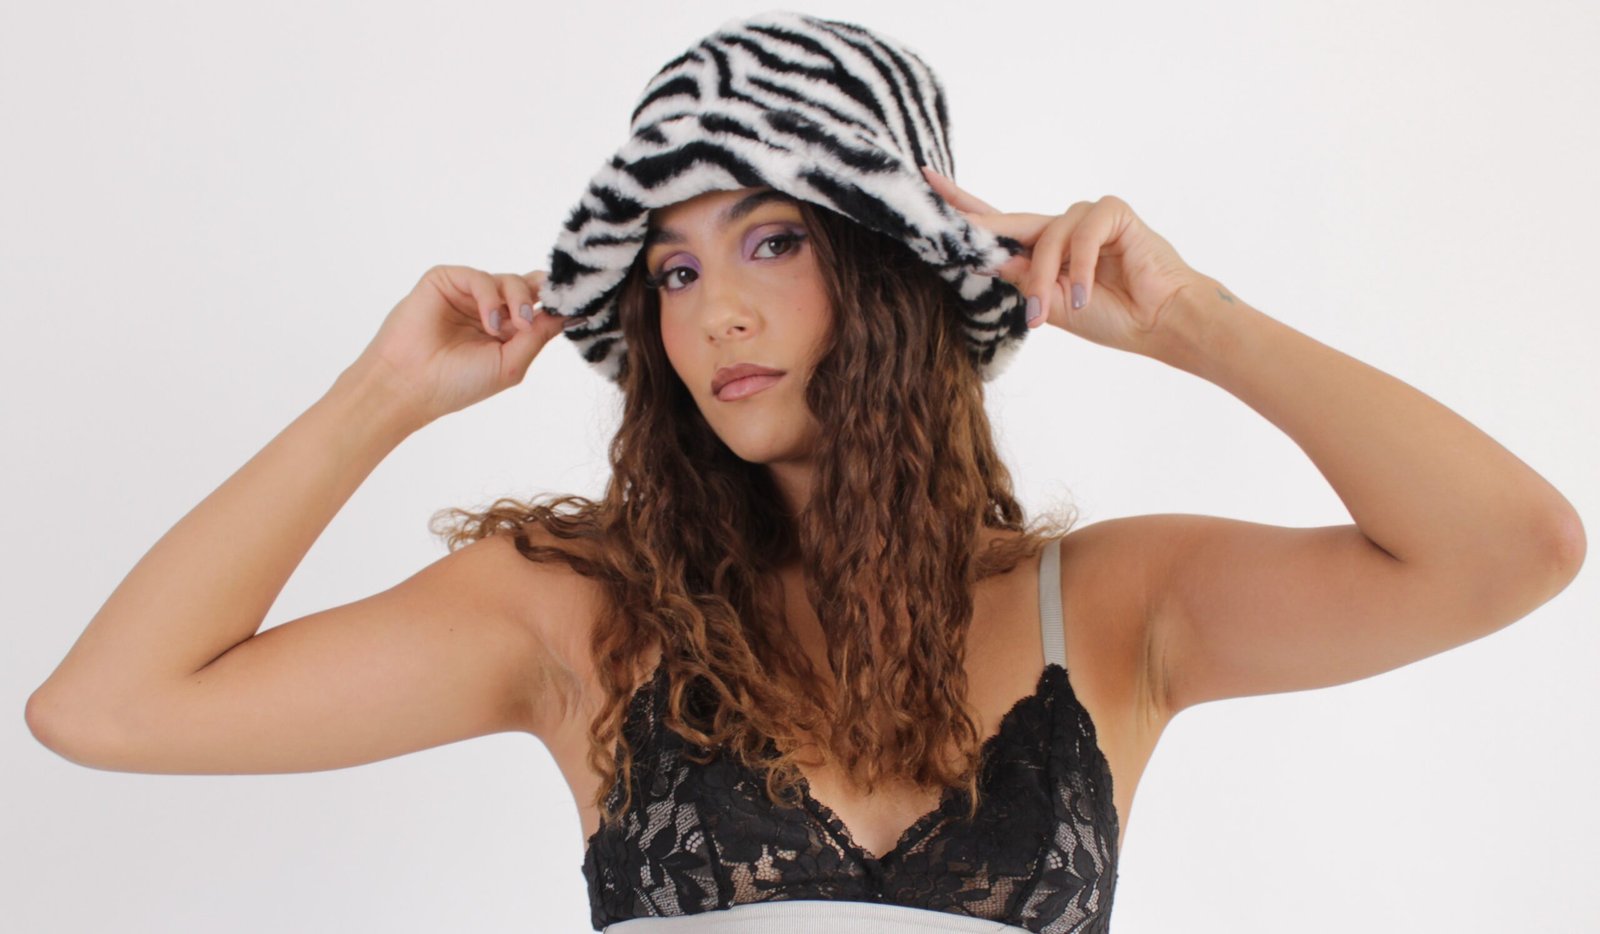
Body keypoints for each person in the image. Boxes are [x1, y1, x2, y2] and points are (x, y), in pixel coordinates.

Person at [25, 10, 1584, 934]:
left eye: (771, 240)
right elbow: (107, 708)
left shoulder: (1111, 609)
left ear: (891, 271)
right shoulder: (580, 618)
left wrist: (1193, 318)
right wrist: (380, 395)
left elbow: (1511, 547)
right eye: (674, 269)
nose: (718, 310)